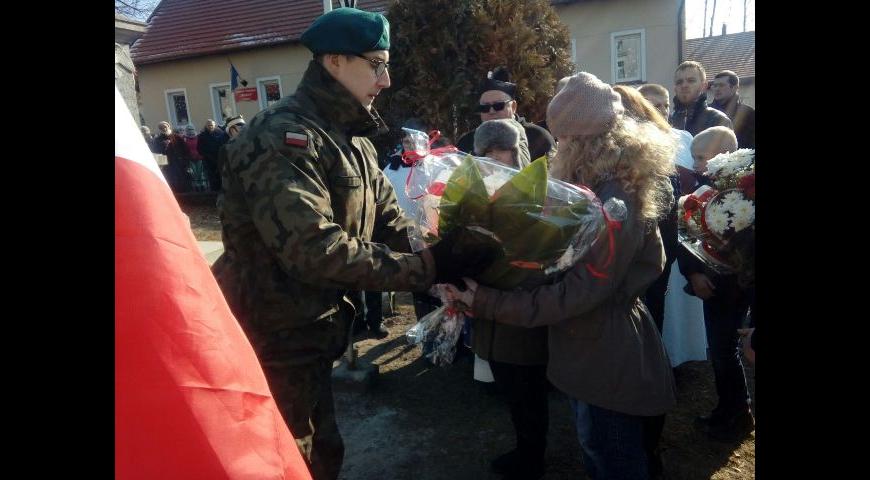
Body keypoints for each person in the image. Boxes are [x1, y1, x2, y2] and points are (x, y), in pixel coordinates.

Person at [210, 8, 487, 479]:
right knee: (277, 458)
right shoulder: (282, 136)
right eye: (376, 64)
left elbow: (389, 218)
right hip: (270, 336)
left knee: (323, 449)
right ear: (334, 61)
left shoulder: (351, 141)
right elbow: (314, 251)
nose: (386, 79)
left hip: (313, 333)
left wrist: (452, 254)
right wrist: (424, 267)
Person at [446, 72, 677, 479]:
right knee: (599, 450)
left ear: (587, 142)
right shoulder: (604, 187)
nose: (558, 150)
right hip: (592, 349)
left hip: (606, 358)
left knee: (613, 458)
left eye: (565, 140)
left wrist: (487, 300)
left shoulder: (614, 200)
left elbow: (578, 293)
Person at [472, 118, 550, 479]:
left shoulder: (541, 194)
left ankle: (532, 457)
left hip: (522, 312)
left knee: (527, 392)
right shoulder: (477, 192)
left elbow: (547, 254)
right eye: (485, 151)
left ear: (517, 149)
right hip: (490, 307)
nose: (493, 157)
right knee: (510, 388)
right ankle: (525, 447)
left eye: (500, 148)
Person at [677, 126, 754, 443]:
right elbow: (687, 236)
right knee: (721, 350)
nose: (695, 163)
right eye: (694, 156)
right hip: (712, 282)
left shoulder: (739, 193)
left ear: (725, 156)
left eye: (701, 157)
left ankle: (736, 411)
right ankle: (731, 407)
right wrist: (693, 273)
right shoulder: (702, 189)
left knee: (724, 351)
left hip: (735, 285)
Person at [456, 67, 556, 161]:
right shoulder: (466, 143)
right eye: (485, 107)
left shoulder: (539, 138)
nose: (491, 111)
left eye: (498, 105)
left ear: (513, 107)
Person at [669, 61, 732, 136]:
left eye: (691, 81)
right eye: (679, 82)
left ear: (704, 86)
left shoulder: (718, 120)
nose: (684, 85)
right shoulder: (668, 121)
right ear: (675, 88)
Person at [709, 70, 755, 149]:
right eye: (715, 85)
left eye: (721, 85)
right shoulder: (706, 112)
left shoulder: (749, 114)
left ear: (734, 87)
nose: (717, 89)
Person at [197, 119, 228, 191]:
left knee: (222, 176)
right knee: (212, 178)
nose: (210, 127)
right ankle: (214, 192)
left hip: (220, 159)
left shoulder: (220, 133)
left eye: (212, 125)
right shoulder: (202, 136)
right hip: (209, 161)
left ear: (214, 125)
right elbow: (199, 148)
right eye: (209, 125)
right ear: (206, 126)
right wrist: (206, 155)